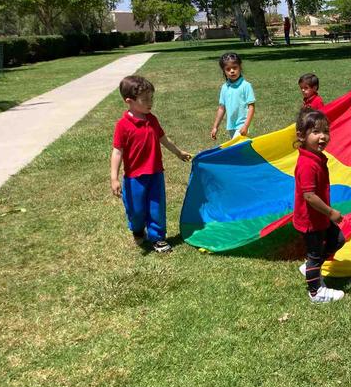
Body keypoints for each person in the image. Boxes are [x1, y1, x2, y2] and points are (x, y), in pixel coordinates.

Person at [110, 75, 192, 253]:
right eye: (145, 99)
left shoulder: (152, 119)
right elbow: (117, 151)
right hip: (134, 178)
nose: (150, 102)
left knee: (157, 207)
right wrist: (114, 178)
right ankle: (138, 229)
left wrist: (178, 152)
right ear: (129, 101)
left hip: (155, 173)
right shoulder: (123, 125)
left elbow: (163, 138)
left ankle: (157, 237)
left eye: (151, 98)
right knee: (136, 209)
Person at [293, 108, 346, 303]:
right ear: (301, 136)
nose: (322, 137)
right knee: (314, 253)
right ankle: (315, 292)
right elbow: (309, 196)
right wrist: (330, 212)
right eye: (316, 132)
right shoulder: (307, 163)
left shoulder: (316, 157)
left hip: (319, 217)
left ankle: (309, 269)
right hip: (311, 220)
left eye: (326, 131)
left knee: (337, 239)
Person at [210, 52, 256, 141]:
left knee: (237, 147)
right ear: (224, 71)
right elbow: (221, 108)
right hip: (231, 126)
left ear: (240, 67)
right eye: (228, 69)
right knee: (241, 152)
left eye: (234, 68)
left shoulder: (246, 86)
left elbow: (251, 107)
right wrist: (215, 127)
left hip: (244, 124)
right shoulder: (224, 87)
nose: (232, 71)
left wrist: (246, 125)